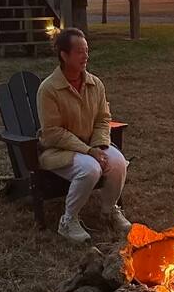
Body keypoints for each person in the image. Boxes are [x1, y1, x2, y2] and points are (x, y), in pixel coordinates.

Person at [36, 27, 131, 244]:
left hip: (92, 145)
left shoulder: (95, 84)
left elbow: (103, 119)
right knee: (91, 168)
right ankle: (68, 221)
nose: (86, 56)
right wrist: (89, 151)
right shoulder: (49, 89)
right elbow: (53, 133)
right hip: (59, 151)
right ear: (64, 55)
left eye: (87, 50)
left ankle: (109, 211)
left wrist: (99, 145)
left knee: (117, 163)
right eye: (80, 51)